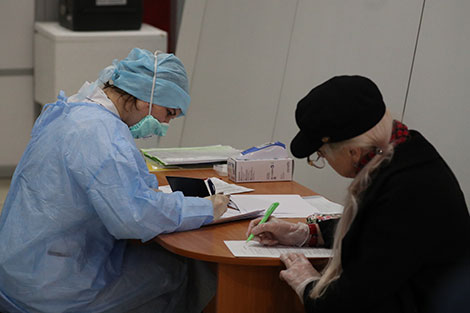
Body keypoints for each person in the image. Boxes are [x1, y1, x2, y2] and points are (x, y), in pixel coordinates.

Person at [0, 48, 229, 313]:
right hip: (53, 288)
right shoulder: (103, 134)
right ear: (147, 99)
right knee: (175, 270)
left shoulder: (73, 111)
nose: (165, 124)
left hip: (17, 271)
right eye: (169, 112)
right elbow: (134, 217)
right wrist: (205, 208)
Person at [247, 75, 470, 312]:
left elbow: (352, 302)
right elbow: (375, 230)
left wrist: (308, 284)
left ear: (352, 152)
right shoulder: (407, 151)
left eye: (321, 155)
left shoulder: (407, 190)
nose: (323, 160)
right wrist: (304, 233)